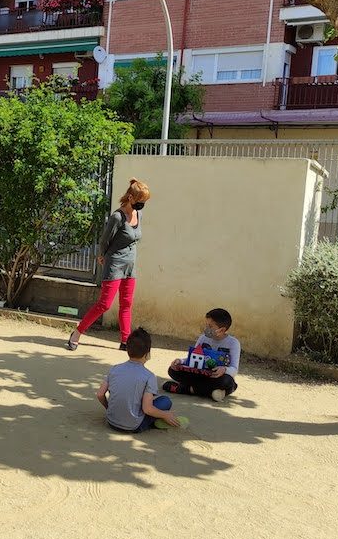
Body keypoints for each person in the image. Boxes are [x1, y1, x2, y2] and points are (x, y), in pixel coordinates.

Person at [68, 178, 150, 351]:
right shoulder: (117, 217)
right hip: (115, 264)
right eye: (140, 201)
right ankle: (77, 333)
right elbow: (105, 240)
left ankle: (125, 341)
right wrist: (101, 255)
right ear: (130, 198)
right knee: (104, 304)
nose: (142, 205)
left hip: (130, 266)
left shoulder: (139, 214)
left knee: (126, 304)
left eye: (144, 201)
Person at [97, 328, 180, 432]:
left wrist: (108, 408)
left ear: (128, 350)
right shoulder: (149, 376)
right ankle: (153, 422)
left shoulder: (114, 369)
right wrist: (165, 415)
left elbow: (100, 394)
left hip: (111, 421)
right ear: (147, 353)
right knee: (165, 401)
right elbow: (147, 409)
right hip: (133, 426)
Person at [164, 308, 241, 402]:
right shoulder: (203, 338)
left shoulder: (233, 343)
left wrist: (224, 369)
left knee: (227, 381)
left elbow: (234, 369)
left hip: (216, 377)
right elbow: (192, 358)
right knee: (172, 370)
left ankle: (186, 389)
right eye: (206, 325)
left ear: (222, 330)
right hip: (199, 374)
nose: (206, 328)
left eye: (210, 326)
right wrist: (180, 361)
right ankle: (215, 391)